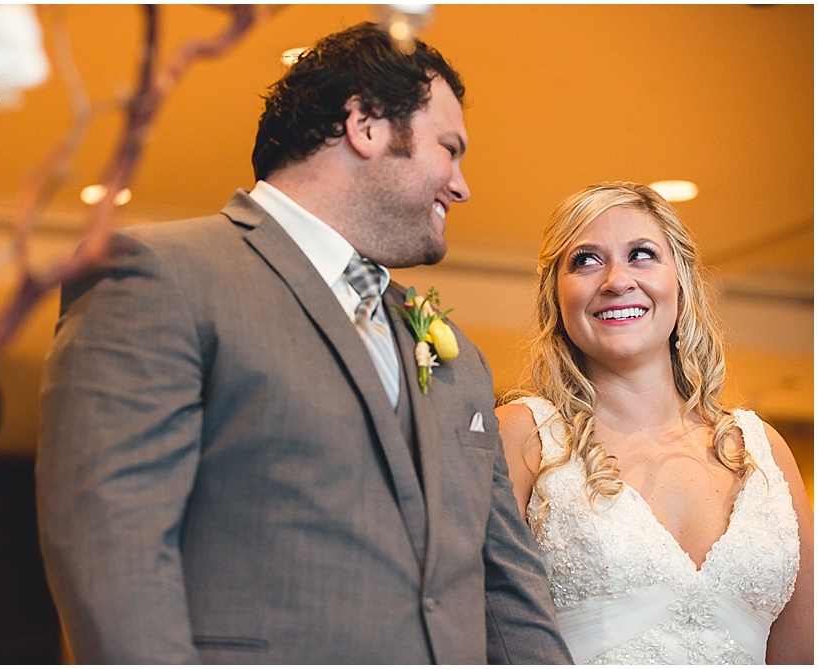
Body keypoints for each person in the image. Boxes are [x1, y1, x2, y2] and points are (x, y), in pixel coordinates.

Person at [36, 22, 571, 664]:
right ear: (366, 125)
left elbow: (506, 589)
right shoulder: (161, 274)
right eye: (449, 148)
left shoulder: (455, 352)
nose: (462, 185)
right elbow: (112, 552)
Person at [496, 181, 813, 664]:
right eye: (585, 260)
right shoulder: (522, 437)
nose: (616, 280)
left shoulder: (761, 451)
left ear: (681, 282)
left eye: (642, 254)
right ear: (554, 296)